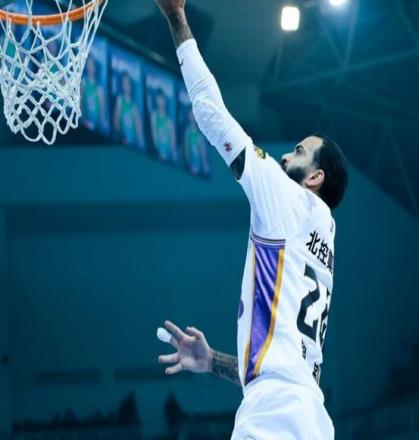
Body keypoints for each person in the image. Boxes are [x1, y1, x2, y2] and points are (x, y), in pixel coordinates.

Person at [155, 1, 348, 438]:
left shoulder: (287, 198)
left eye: (298, 152)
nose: (285, 156)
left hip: (273, 415)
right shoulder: (323, 235)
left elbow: (211, 114)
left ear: (315, 177)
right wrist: (212, 361)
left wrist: (176, 18)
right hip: (310, 417)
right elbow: (278, 365)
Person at [113, 72, 144, 147]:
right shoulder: (120, 100)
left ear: (130, 85)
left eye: (127, 83)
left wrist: (139, 141)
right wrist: (120, 136)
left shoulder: (134, 106)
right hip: (121, 139)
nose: (125, 86)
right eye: (124, 83)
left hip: (133, 142)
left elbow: (138, 127)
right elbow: (116, 120)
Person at [150, 91, 177, 161]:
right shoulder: (154, 116)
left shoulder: (169, 122)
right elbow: (154, 134)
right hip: (157, 154)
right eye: (159, 99)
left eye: (162, 99)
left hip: (168, 156)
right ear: (156, 100)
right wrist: (157, 150)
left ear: (165, 101)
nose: (160, 101)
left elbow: (172, 140)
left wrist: (172, 154)